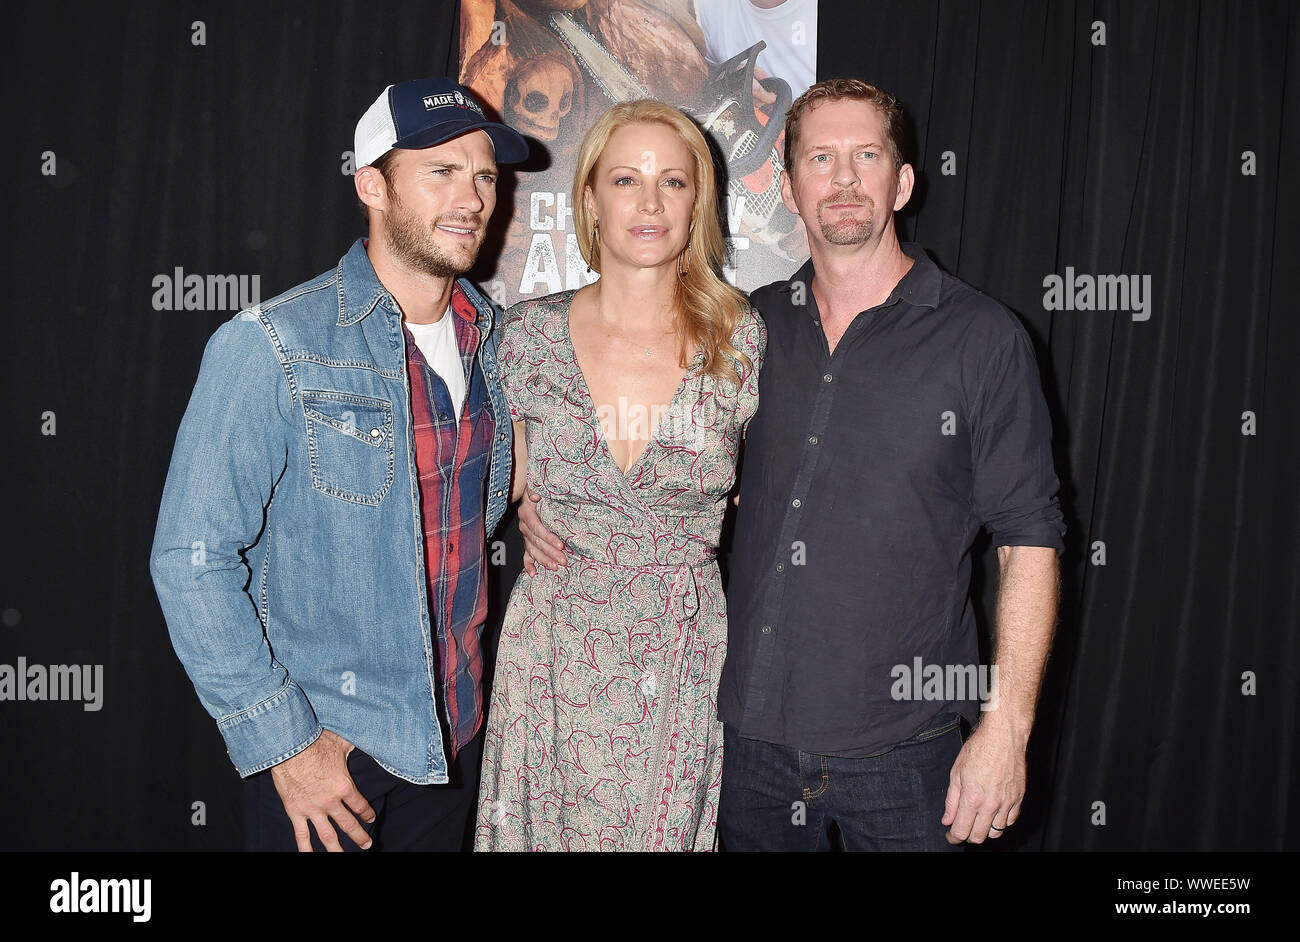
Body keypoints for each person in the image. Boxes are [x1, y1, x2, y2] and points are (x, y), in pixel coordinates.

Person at [520, 78, 1066, 851]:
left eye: (866, 155)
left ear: (903, 182)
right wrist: (540, 498)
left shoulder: (983, 340)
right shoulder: (746, 331)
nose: (842, 180)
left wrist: (1007, 732)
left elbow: (1029, 541)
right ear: (789, 185)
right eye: (820, 158)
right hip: (750, 750)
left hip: (912, 758)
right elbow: (653, 461)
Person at [149, 77, 528, 852]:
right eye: (441, 171)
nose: (472, 198)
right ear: (371, 185)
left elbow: (468, 512)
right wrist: (285, 745)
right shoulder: (272, 345)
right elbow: (191, 561)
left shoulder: (496, 345)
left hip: (455, 740)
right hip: (333, 758)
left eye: (484, 174)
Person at [473, 99, 766, 852]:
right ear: (591, 199)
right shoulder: (527, 336)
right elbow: (488, 495)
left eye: (673, 182)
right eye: (626, 179)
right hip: (554, 646)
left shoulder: (742, 339)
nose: (649, 202)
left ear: (697, 202)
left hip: (679, 648)